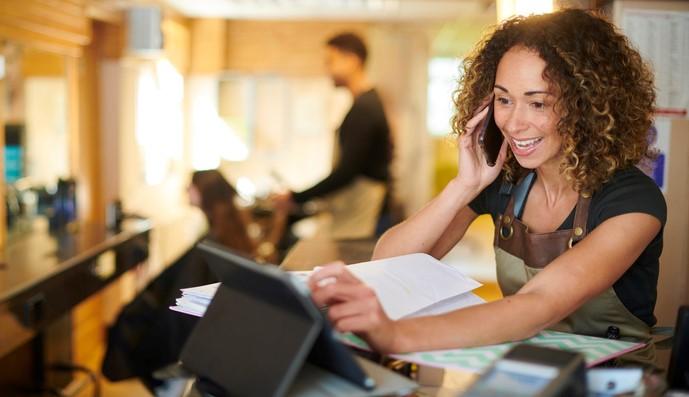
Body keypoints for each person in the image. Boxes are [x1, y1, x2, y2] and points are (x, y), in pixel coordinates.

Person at [308, 9, 666, 363]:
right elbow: (387, 264)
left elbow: (538, 305)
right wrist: (464, 185)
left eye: (537, 102)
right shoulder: (505, 184)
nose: (513, 122)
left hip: (615, 379)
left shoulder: (633, 201)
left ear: (586, 107)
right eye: (503, 99)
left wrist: (397, 335)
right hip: (530, 367)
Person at [273, 32, 393, 239]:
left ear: (353, 60)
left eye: (331, 61)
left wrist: (297, 197)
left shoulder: (365, 108)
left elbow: (347, 171)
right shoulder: (365, 104)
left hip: (362, 210)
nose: (326, 69)